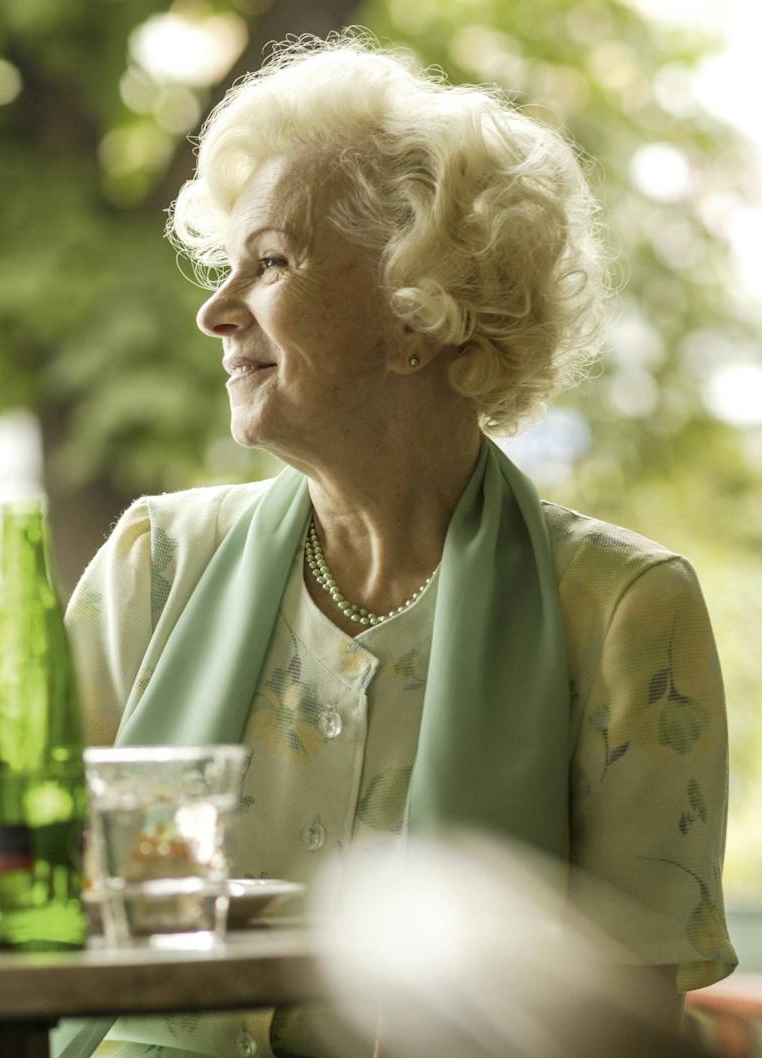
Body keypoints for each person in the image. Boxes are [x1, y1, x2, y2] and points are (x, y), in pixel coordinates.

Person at [57, 34, 735, 1058]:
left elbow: (626, 1025)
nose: (213, 309)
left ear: (421, 310)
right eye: (226, 262)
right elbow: (16, 900)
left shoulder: (622, 608)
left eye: (272, 261)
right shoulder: (152, 562)